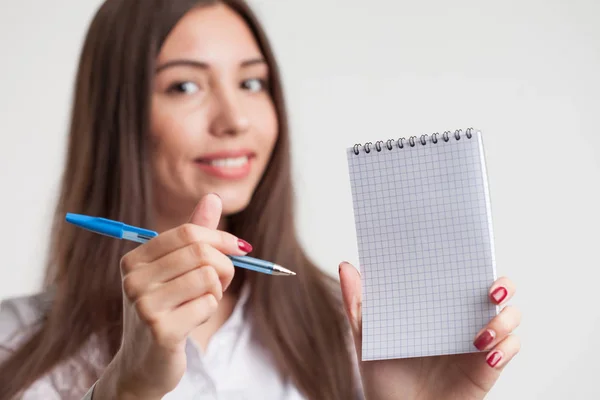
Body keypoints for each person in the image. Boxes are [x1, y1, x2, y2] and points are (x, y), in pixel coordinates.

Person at [0, 0, 521, 399]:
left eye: (252, 82)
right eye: (184, 87)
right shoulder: (12, 345)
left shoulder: (355, 336)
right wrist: (124, 389)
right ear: (116, 117)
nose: (236, 119)